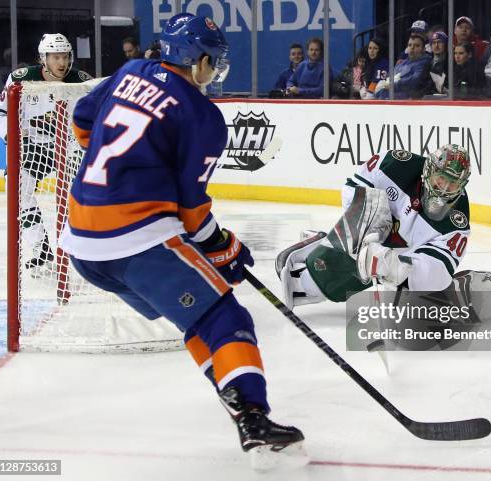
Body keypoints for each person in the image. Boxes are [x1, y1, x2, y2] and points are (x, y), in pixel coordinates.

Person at [57, 14, 306, 470]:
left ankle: (236, 398)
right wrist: (224, 246)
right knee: (225, 316)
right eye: (215, 60)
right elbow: (192, 212)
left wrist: (123, 168)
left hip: (82, 243)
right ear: (199, 58)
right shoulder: (202, 115)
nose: (215, 70)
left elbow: (81, 118)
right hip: (136, 241)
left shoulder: (130, 71)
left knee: (195, 320)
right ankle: (253, 416)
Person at [276, 145, 472, 308]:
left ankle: (329, 249)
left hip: (398, 256)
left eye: (453, 184)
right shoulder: (396, 164)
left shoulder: (457, 221)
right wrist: (369, 235)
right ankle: (320, 253)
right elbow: (352, 190)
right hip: (369, 236)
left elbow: (436, 269)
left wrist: (393, 267)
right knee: (308, 285)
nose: (444, 189)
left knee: (413, 298)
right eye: (441, 179)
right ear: (428, 171)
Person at [0, 33, 92, 270]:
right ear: (43, 59)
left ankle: (88, 246)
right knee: (16, 186)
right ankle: (41, 248)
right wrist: (12, 136)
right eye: (56, 57)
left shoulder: (82, 81)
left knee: (84, 194)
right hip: (35, 146)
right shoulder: (21, 79)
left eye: (65, 56)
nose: (62, 63)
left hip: (71, 147)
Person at [374, 34, 430, 99]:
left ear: (424, 49)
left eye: (417, 45)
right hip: (390, 94)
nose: (412, 48)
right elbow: (389, 77)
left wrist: (393, 85)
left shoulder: (424, 63)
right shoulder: (402, 62)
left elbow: (414, 81)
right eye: (410, 45)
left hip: (409, 99)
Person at [414, 31, 449, 97]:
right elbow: (419, 85)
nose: (436, 45)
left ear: (446, 44)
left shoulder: (450, 63)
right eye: (433, 43)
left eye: (439, 42)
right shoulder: (428, 63)